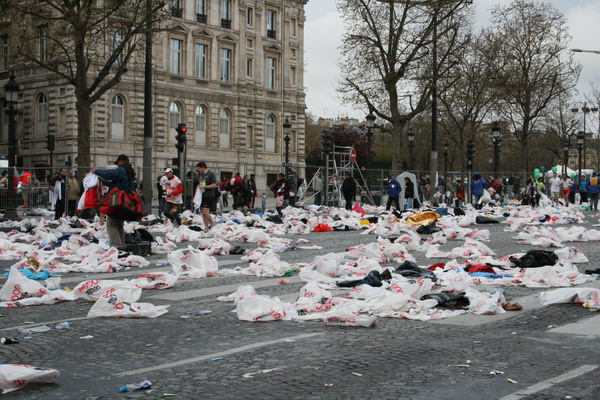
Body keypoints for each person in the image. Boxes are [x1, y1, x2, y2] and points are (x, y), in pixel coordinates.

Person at [94, 154, 136, 256]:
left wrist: (95, 171)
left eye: (118, 164)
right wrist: (104, 181)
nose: (117, 166)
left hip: (117, 202)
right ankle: (122, 245)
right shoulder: (129, 171)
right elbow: (115, 184)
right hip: (125, 202)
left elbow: (109, 173)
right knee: (119, 224)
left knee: (111, 224)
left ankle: (117, 247)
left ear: (121, 162)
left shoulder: (122, 170)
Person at [195, 162, 218, 231]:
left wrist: (205, 187)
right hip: (203, 195)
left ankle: (212, 223)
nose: (198, 170)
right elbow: (201, 184)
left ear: (203, 167)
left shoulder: (211, 174)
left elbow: (214, 185)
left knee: (205, 212)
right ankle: (206, 226)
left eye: (199, 168)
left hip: (209, 195)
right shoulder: (201, 175)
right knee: (203, 212)